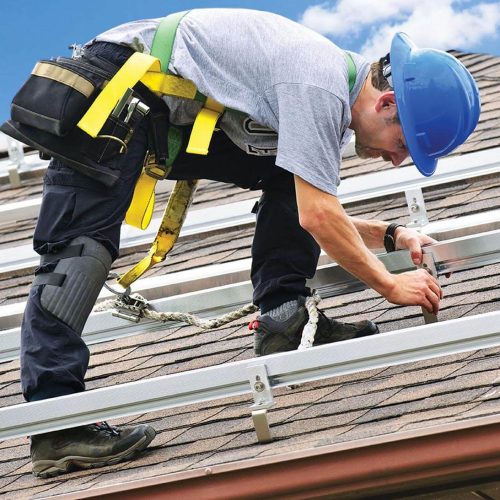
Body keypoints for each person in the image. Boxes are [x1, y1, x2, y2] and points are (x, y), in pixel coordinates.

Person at [1, 8, 480, 478]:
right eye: (405, 145)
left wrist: (393, 236)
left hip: (161, 111)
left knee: (286, 173)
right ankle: (55, 422)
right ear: (387, 103)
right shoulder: (319, 83)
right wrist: (391, 286)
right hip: (117, 90)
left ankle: (285, 319)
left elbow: (309, 204)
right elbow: (318, 215)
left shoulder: (324, 94)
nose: (398, 161)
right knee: (79, 256)